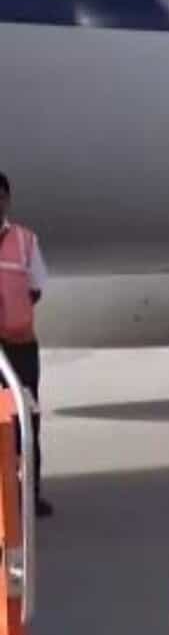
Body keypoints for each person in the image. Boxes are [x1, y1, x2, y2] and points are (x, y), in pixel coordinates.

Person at [0, 171, 52, 517]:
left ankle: (29, 495)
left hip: (19, 346)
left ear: (7, 201)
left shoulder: (24, 240)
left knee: (26, 422)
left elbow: (35, 287)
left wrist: (12, 314)